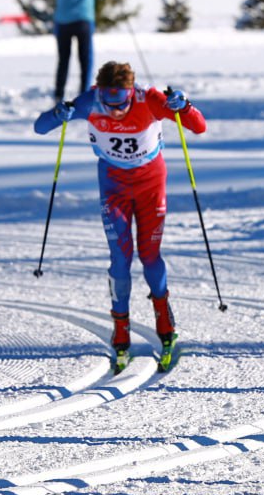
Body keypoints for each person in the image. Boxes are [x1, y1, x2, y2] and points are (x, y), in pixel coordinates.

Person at [32, 61, 205, 372]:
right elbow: (40, 128)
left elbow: (199, 126)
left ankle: (165, 323)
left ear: (132, 93)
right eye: (109, 105)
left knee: (150, 255)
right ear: (100, 94)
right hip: (113, 187)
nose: (115, 112)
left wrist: (185, 105)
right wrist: (58, 114)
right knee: (120, 258)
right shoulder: (89, 100)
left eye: (122, 104)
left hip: (150, 184)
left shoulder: (150, 99)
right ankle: (120, 329)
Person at [48, 0, 116, 103]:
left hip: (63, 20)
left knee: (63, 59)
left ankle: (59, 94)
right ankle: (84, 95)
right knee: (85, 59)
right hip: (84, 20)